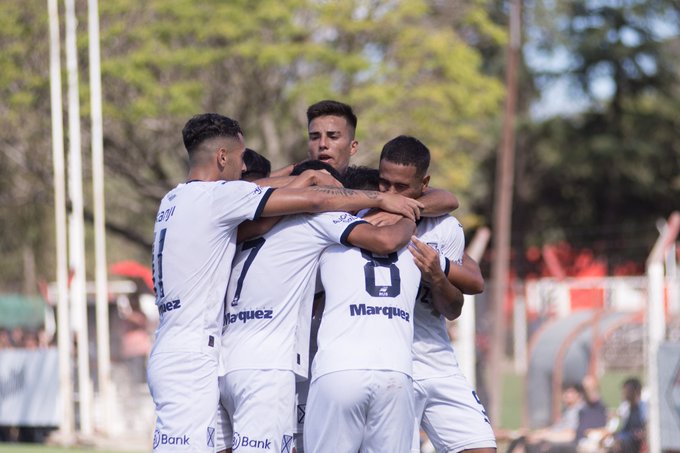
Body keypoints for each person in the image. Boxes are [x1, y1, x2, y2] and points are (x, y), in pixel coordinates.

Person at [147, 113, 423, 453]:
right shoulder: (219, 198)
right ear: (222, 157)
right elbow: (320, 203)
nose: (240, 170)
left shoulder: (175, 199)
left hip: (207, 356)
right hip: (243, 362)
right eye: (237, 158)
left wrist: (301, 172)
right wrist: (383, 200)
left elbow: (260, 194)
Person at [374, 135, 497, 453]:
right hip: (389, 365)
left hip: (438, 362)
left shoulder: (445, 228)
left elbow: (454, 305)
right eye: (384, 184)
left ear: (424, 184)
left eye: (401, 187)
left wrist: (438, 276)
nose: (391, 194)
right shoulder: (367, 221)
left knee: (482, 448)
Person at [303, 167, 432, 453]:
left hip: (339, 370)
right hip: (396, 372)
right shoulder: (415, 239)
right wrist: (409, 216)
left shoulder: (325, 232)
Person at [507, 383, 585, 453]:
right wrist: (537, 433)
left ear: (579, 395)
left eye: (570, 392)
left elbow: (569, 434)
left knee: (527, 444)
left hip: (558, 444)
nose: (566, 395)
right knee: (520, 440)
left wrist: (543, 436)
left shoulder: (577, 411)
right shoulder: (568, 410)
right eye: (565, 392)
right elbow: (555, 428)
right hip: (552, 440)